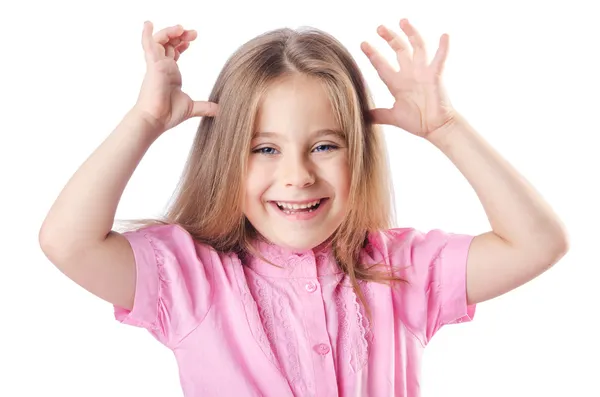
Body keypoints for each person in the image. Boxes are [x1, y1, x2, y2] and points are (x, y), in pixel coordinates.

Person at [39, 17, 569, 397]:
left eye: (324, 145)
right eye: (265, 148)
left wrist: (447, 130)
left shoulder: (401, 270)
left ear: (358, 153)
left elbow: (538, 243)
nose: (298, 176)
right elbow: (67, 243)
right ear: (226, 158)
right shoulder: (189, 276)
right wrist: (144, 123)